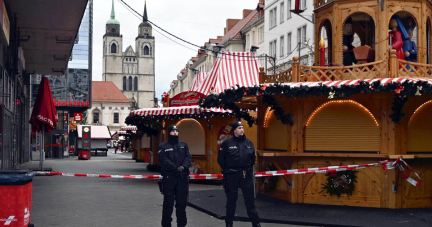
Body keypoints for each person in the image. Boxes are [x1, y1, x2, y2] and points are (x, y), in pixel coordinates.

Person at [218, 121, 261, 227]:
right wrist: (227, 170)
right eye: (239, 128)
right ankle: (229, 224)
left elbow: (252, 159)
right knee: (231, 202)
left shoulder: (249, 143)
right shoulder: (227, 143)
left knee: (250, 202)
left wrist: (247, 170)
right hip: (231, 176)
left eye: (242, 127)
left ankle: (256, 224)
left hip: (245, 175)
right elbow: (220, 159)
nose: (241, 129)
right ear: (234, 130)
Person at [158, 124, 192, 227]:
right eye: (173, 131)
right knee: (168, 205)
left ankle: (181, 224)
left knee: (181, 204)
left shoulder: (184, 145)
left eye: (176, 131)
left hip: (182, 178)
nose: (175, 133)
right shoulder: (163, 146)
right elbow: (163, 160)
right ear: (169, 133)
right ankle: (166, 224)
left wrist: (182, 168)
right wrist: (175, 168)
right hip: (169, 179)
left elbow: (188, 157)